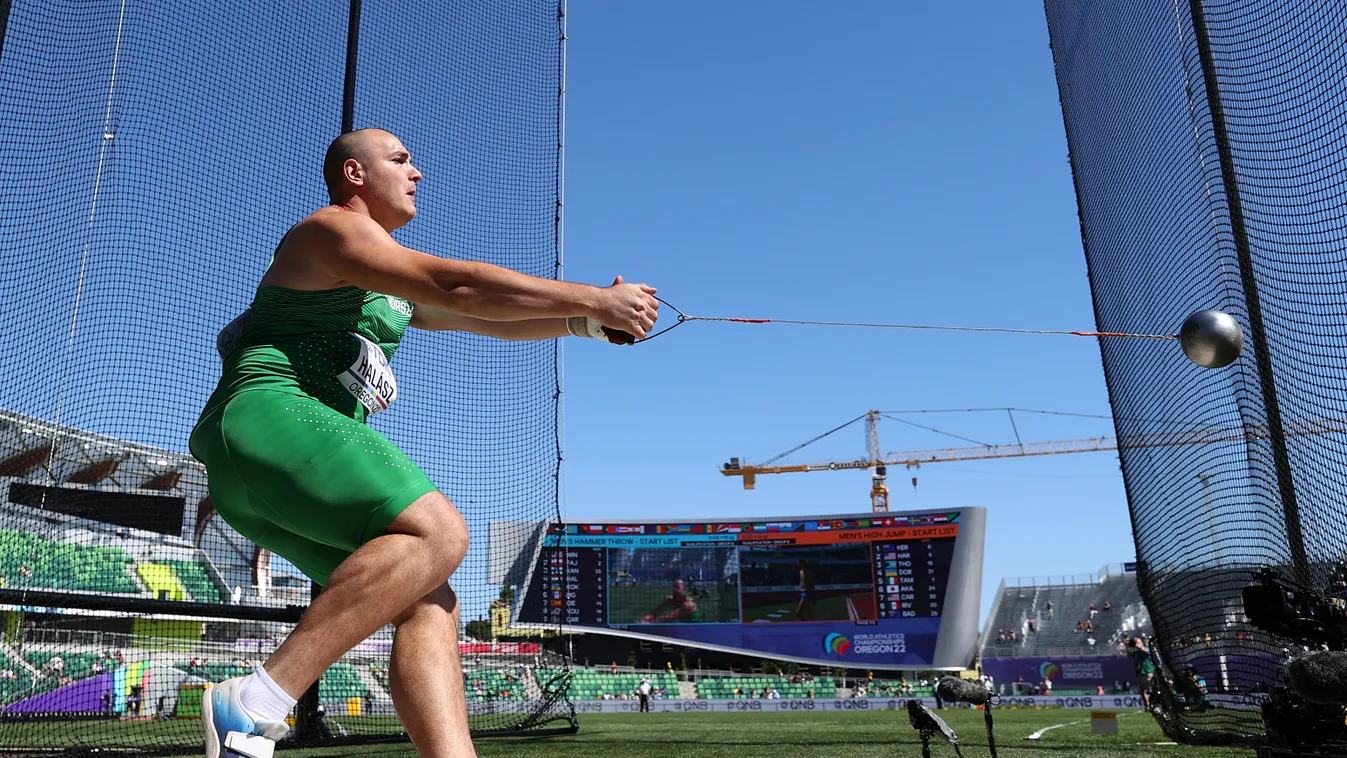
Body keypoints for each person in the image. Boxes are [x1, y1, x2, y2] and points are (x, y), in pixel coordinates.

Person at [190, 128, 659, 758]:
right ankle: (256, 701)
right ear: (355, 175)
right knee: (439, 532)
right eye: (401, 159)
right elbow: (457, 286)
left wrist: (591, 324)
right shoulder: (332, 230)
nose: (418, 172)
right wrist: (597, 296)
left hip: (253, 473)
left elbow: (484, 316)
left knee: (427, 600)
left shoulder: (385, 285)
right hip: (268, 417)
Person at [637, 580, 701, 623]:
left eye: (678, 587)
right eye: (674, 587)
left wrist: (647, 623)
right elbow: (655, 613)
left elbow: (670, 617)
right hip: (684, 626)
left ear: (684, 589)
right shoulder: (670, 599)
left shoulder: (689, 604)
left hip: (697, 628)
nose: (675, 589)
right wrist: (642, 619)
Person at [1125, 636, 1157, 709]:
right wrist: (1128, 645)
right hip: (1140, 673)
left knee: (1152, 690)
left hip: (1148, 672)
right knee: (1142, 691)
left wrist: (1141, 647)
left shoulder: (1148, 649)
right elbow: (1129, 655)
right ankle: (1147, 705)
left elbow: (1148, 652)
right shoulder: (1136, 652)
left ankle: (1155, 705)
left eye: (1138, 642)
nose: (1136, 643)